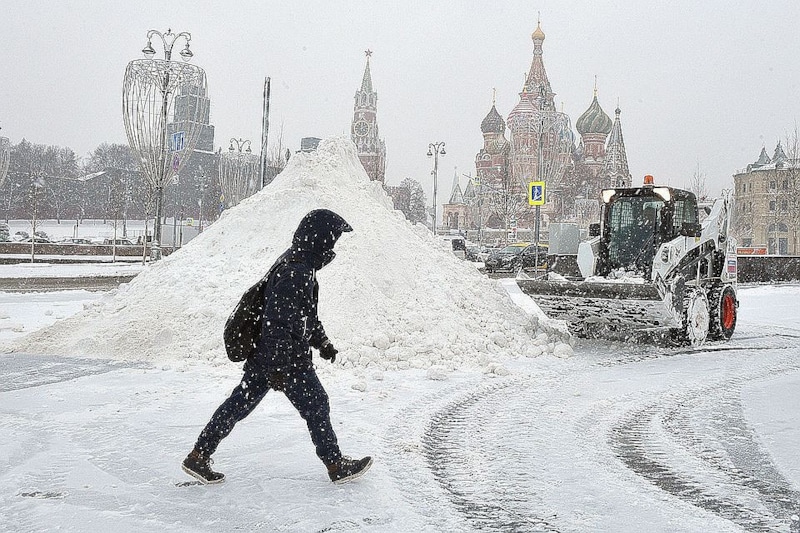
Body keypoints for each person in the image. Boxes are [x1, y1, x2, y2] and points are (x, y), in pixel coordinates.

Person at [182, 209, 372, 485]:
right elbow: (277, 322)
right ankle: (335, 465)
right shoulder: (296, 271)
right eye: (332, 239)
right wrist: (279, 367)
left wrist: (322, 342)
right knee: (316, 404)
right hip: (285, 359)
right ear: (319, 238)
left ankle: (199, 456)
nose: (333, 246)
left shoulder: (300, 265)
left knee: (238, 405)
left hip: (272, 357)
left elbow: (304, 316)